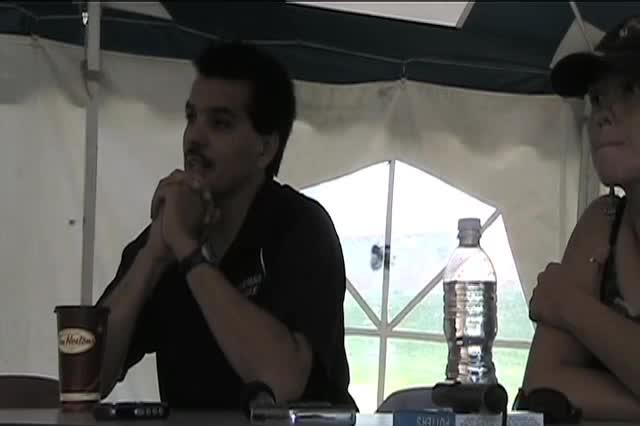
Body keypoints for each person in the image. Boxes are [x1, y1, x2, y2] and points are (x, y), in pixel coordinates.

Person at [96, 40, 356, 411]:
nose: (195, 137)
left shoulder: (300, 228)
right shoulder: (166, 238)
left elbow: (283, 380)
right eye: (191, 118)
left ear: (265, 149)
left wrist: (190, 253)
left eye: (220, 123)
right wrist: (153, 255)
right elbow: (89, 377)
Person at [519, 15, 640, 421]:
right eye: (597, 98)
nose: (602, 114)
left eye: (630, 89)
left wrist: (569, 304)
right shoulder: (602, 223)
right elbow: (542, 387)